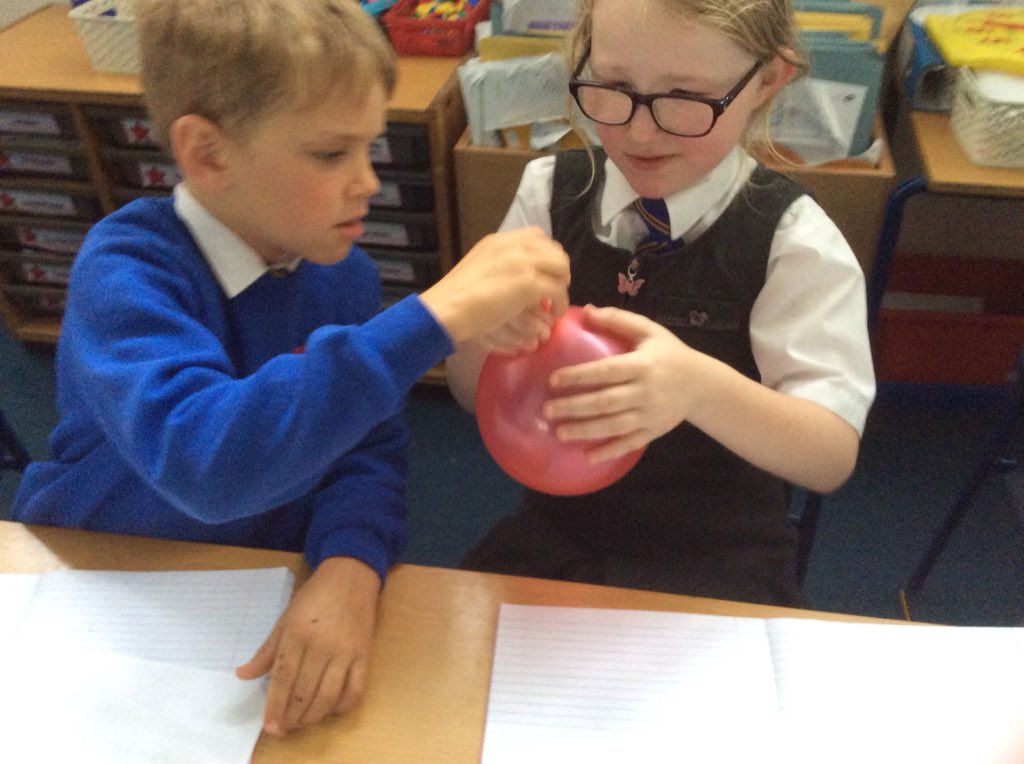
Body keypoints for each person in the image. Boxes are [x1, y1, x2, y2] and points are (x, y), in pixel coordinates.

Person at [12, 0, 569, 737]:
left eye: (370, 149)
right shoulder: (128, 272)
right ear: (208, 153)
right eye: (331, 154)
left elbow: (365, 446)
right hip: (102, 579)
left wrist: (351, 566)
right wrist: (434, 319)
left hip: (263, 589)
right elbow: (207, 461)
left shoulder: (342, 274)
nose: (368, 182)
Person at [446, 0, 876, 608]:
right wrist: (482, 334)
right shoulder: (548, 196)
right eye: (613, 85)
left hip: (719, 559)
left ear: (767, 81)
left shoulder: (793, 242)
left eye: (685, 98)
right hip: (559, 536)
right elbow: (471, 393)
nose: (638, 132)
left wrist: (696, 388)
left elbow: (829, 455)